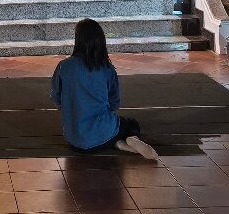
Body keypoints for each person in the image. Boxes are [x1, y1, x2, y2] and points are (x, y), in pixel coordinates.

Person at [51, 18, 158, 159]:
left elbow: (56, 99)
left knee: (103, 134)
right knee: (131, 123)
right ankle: (130, 139)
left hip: (73, 140)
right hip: (103, 130)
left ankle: (118, 143)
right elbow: (114, 103)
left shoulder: (63, 66)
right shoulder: (106, 69)